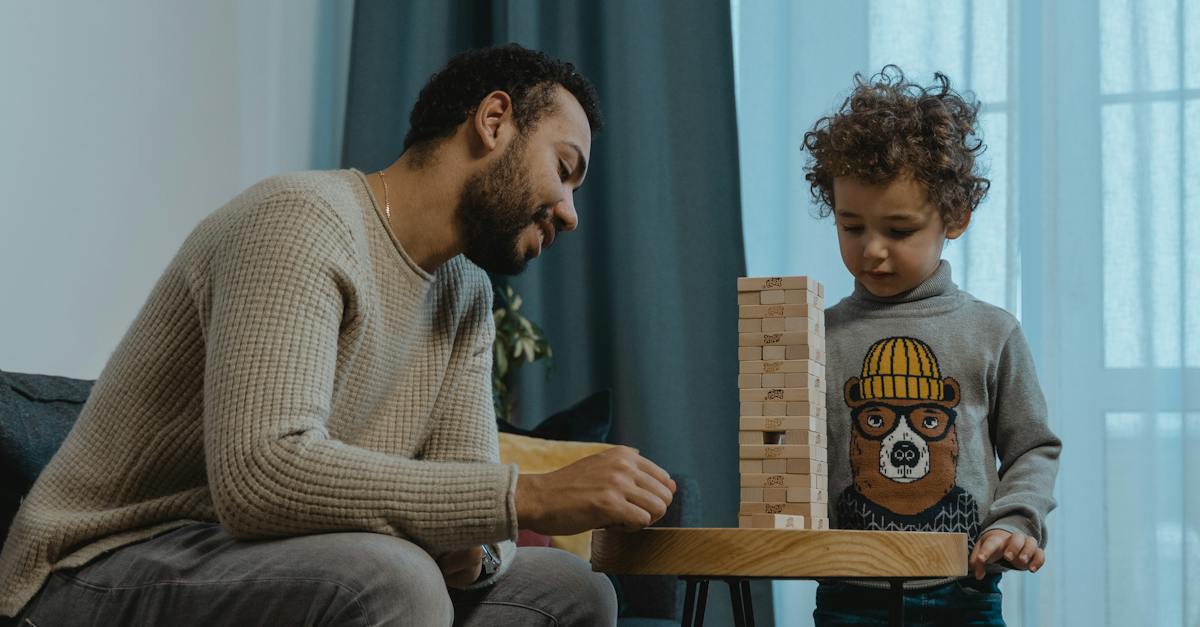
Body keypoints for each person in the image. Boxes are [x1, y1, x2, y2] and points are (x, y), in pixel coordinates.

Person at [0, 44, 676, 626]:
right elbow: (262, 475)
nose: (570, 212)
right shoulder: (300, 219)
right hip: (93, 567)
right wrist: (525, 495)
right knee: (392, 577)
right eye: (564, 169)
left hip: (275, 559)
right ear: (493, 120)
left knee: (569, 590)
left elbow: (464, 491)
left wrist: (473, 546)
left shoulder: (466, 295)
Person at [801, 66, 1061, 625]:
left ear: (956, 218)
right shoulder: (812, 336)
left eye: (898, 231)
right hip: (848, 591)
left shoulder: (993, 332)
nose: (871, 251)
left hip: (963, 590)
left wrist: (1015, 522)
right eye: (851, 227)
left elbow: (1033, 448)